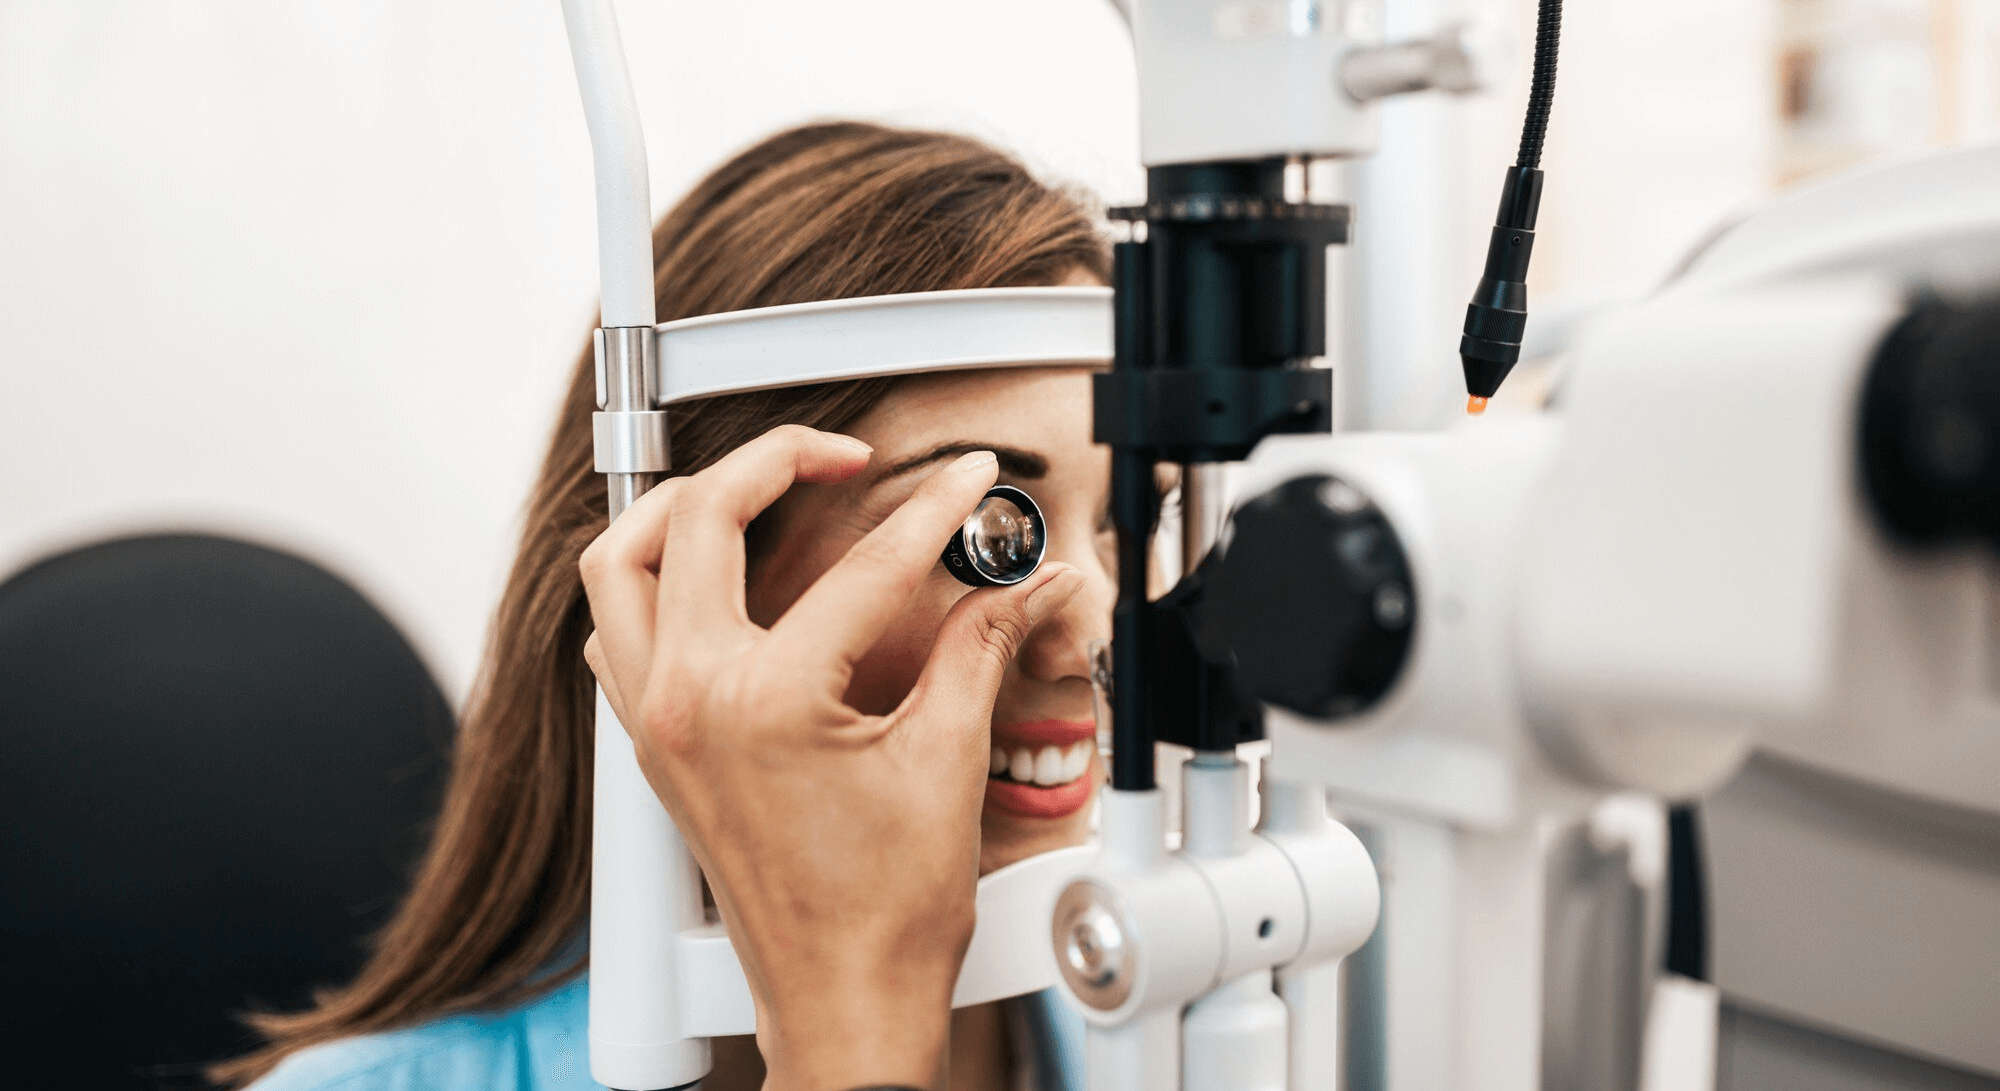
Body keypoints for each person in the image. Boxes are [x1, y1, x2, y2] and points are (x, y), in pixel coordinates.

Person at [216, 121, 1119, 1091]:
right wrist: (848, 1023)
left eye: (1131, 517)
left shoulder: (1197, 1032)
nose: (1098, 638)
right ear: (684, 583)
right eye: (989, 532)